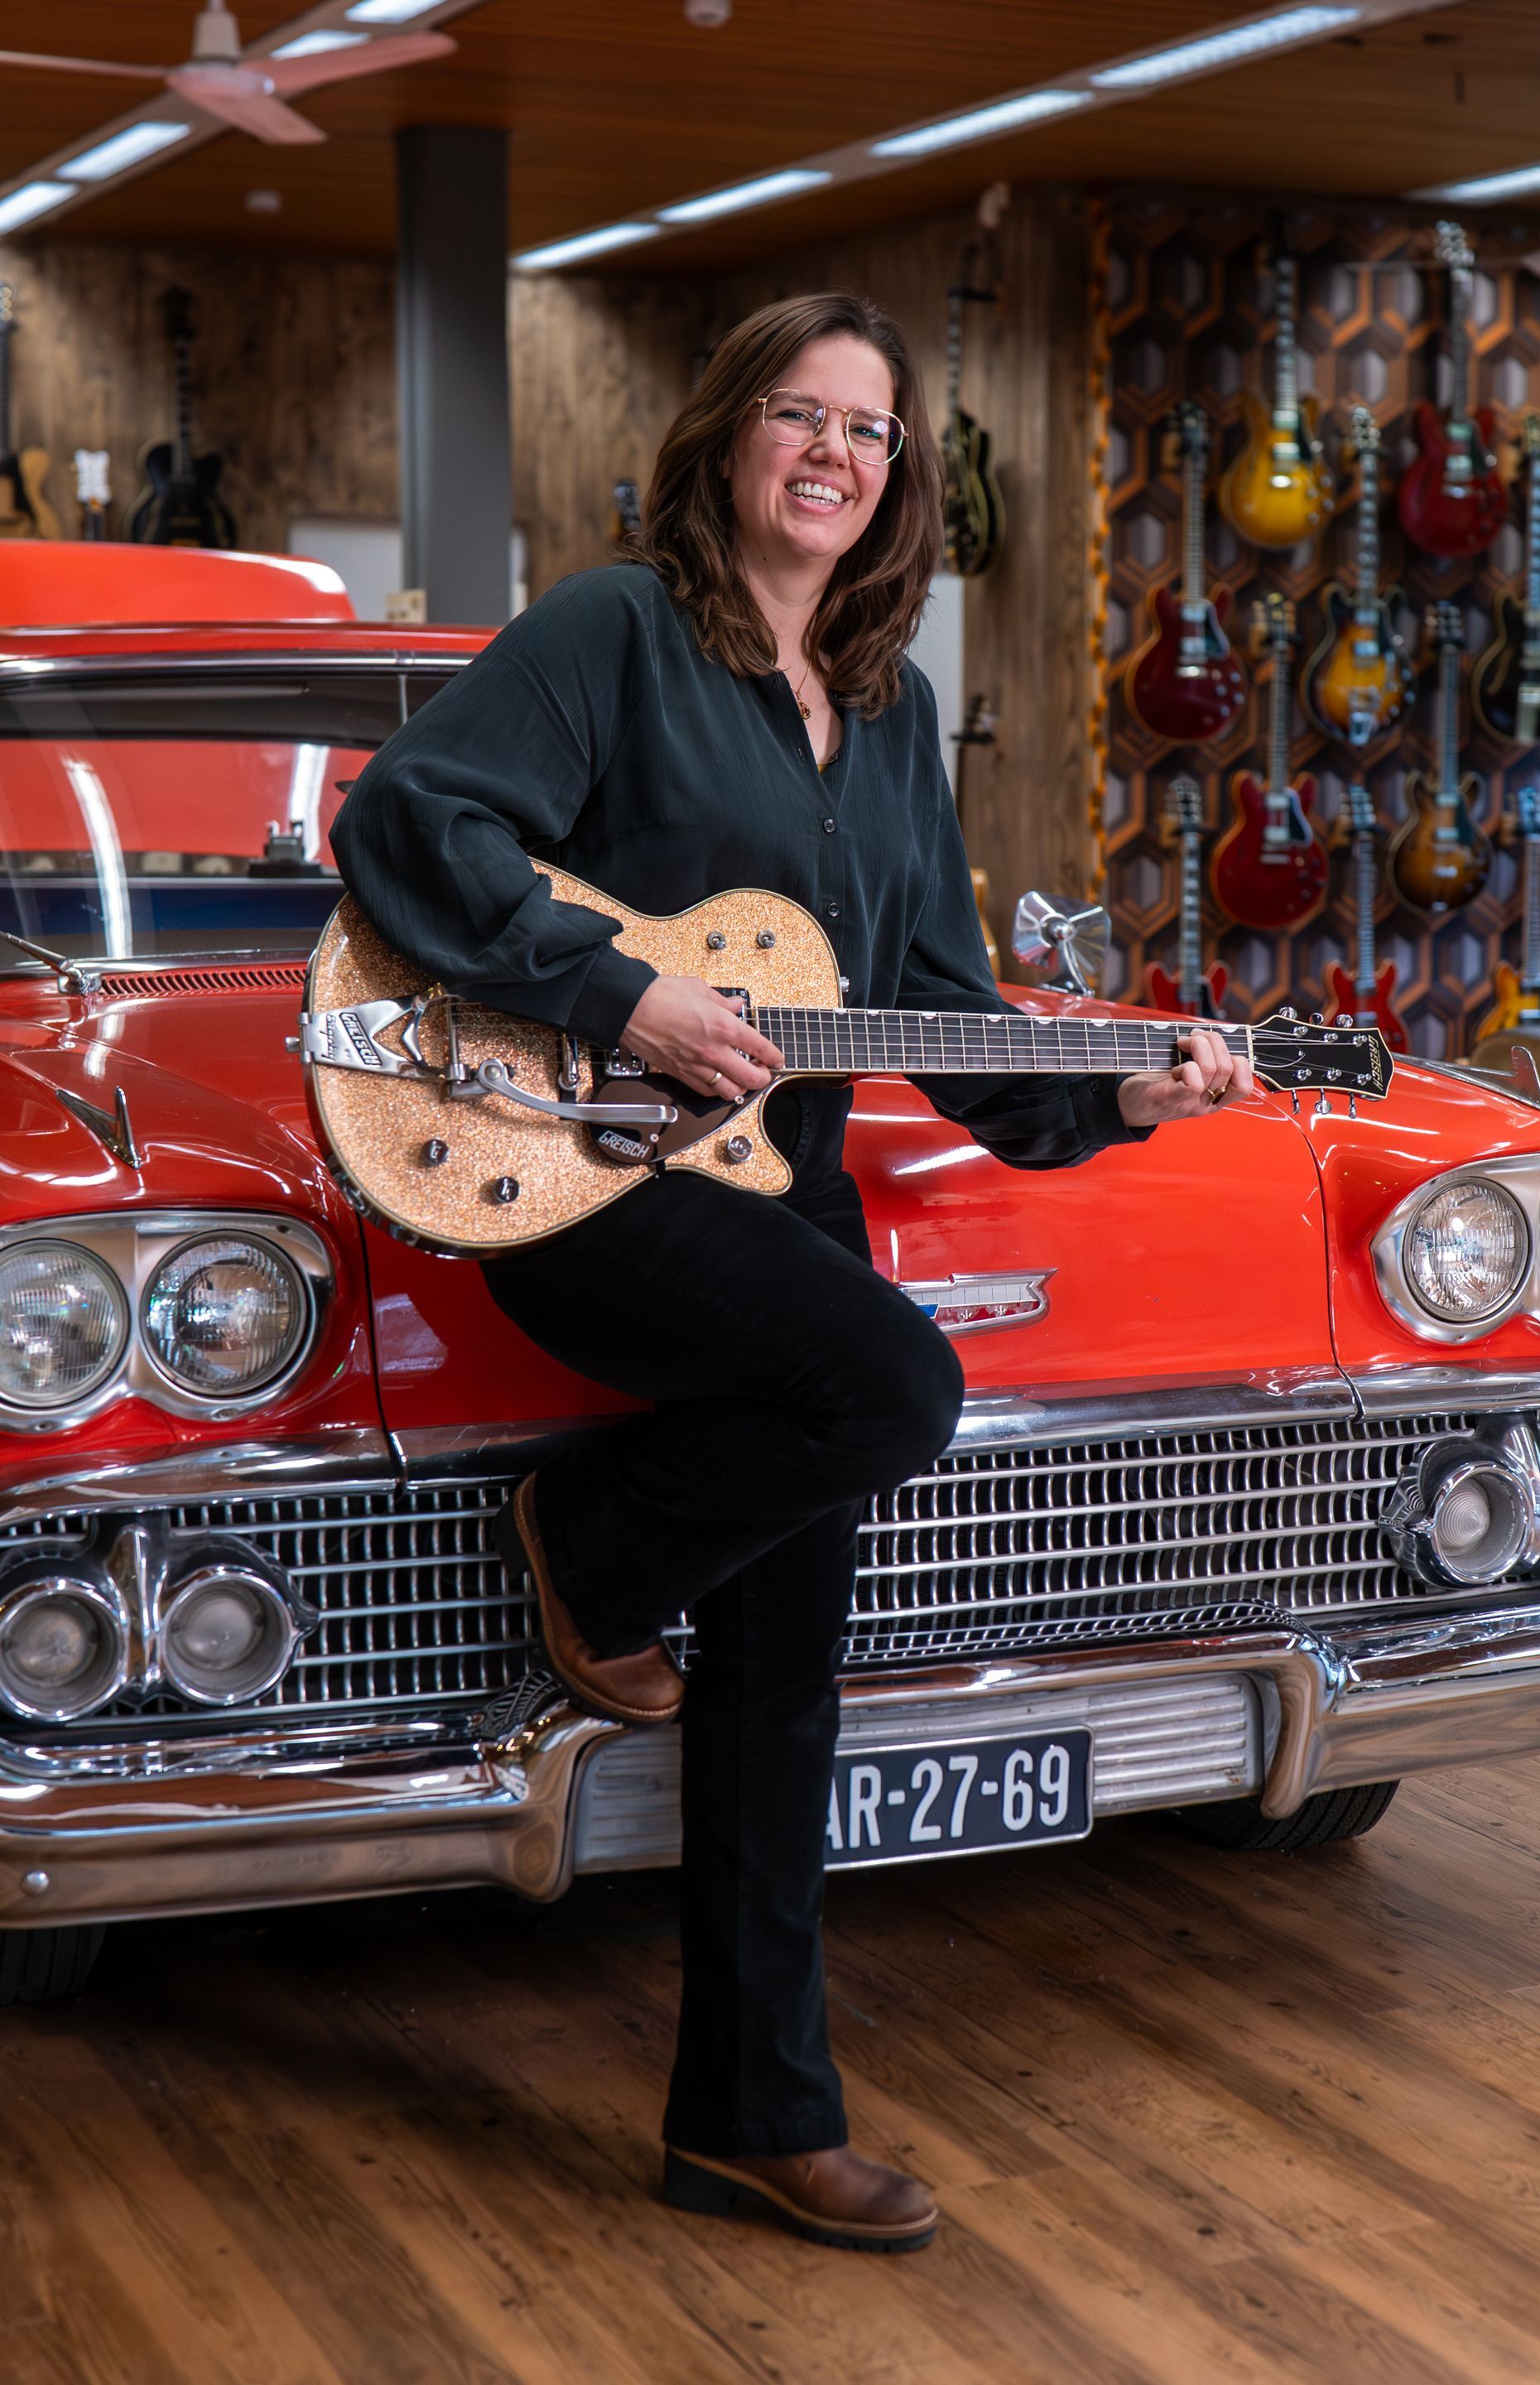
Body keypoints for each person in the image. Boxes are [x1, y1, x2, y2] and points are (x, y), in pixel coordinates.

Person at [330, 290, 1253, 2255]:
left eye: (871, 433)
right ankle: (588, 1540)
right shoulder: (613, 631)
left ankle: (757, 2117)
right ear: (732, 435)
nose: (835, 454)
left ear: (898, 480)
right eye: (801, 417)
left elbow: (929, 1007)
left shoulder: (891, 706)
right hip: (578, 1188)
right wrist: (628, 994)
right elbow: (411, 823)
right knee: (897, 1388)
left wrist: (1129, 1093)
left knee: (785, 1691)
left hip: (785, 1198)